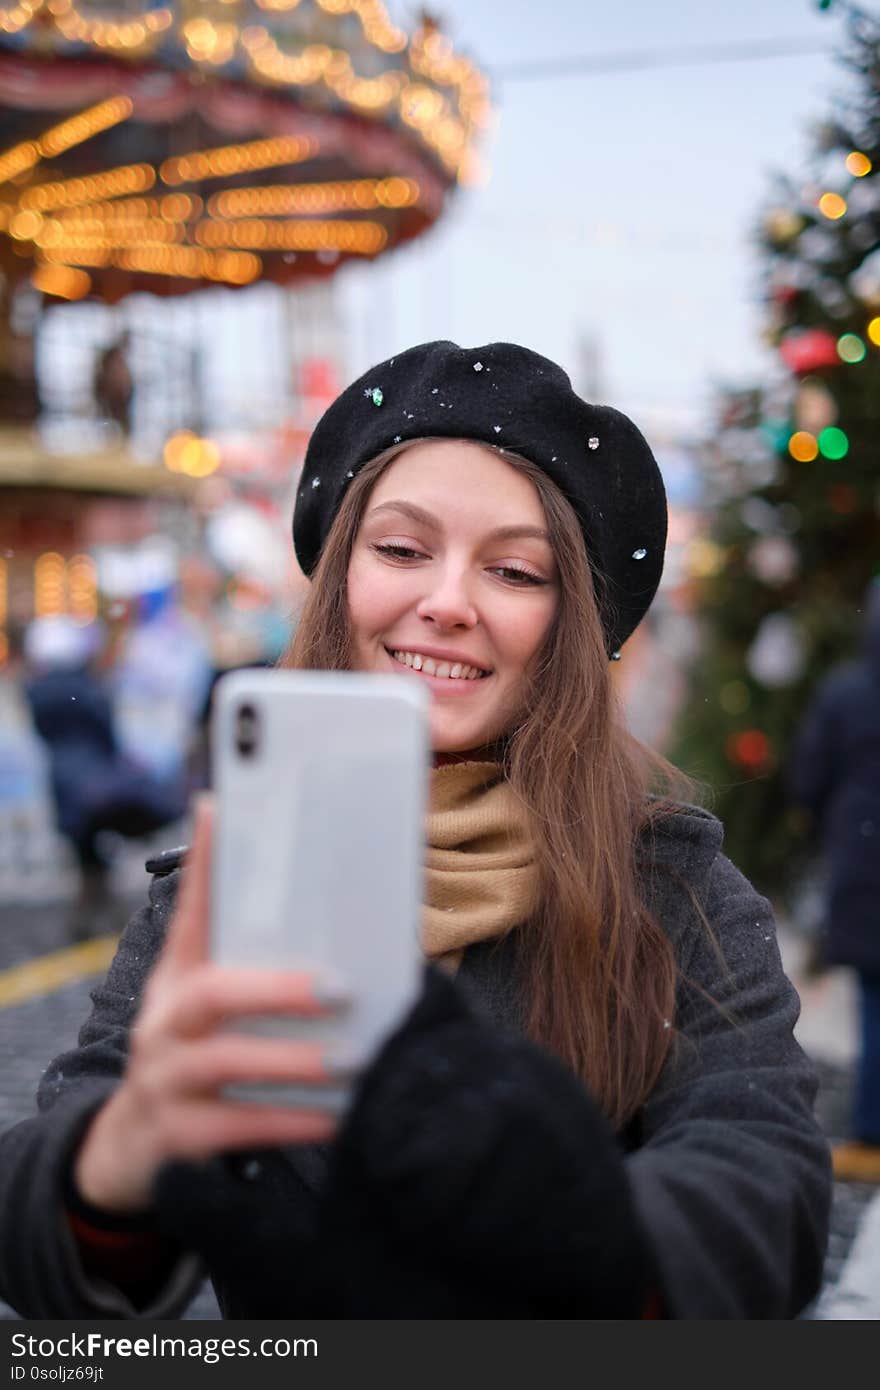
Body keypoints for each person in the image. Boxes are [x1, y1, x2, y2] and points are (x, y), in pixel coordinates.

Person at [0, 341, 831, 1319]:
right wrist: (121, 1149)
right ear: (340, 580)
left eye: (514, 570)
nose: (445, 602)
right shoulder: (224, 888)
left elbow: (767, 1195)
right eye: (400, 549)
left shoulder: (674, 886)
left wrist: (575, 1216)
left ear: (570, 623)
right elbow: (38, 1243)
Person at [789, 579, 880, 1183]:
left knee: (875, 1003)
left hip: (865, 867)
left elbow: (809, 776)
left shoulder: (847, 694)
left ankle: (871, 1134)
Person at [22, 614, 188, 935]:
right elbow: (106, 732)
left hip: (66, 780)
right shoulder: (87, 688)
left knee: (86, 847)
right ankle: (104, 914)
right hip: (99, 780)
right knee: (101, 835)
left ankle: (89, 911)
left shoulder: (37, 691)